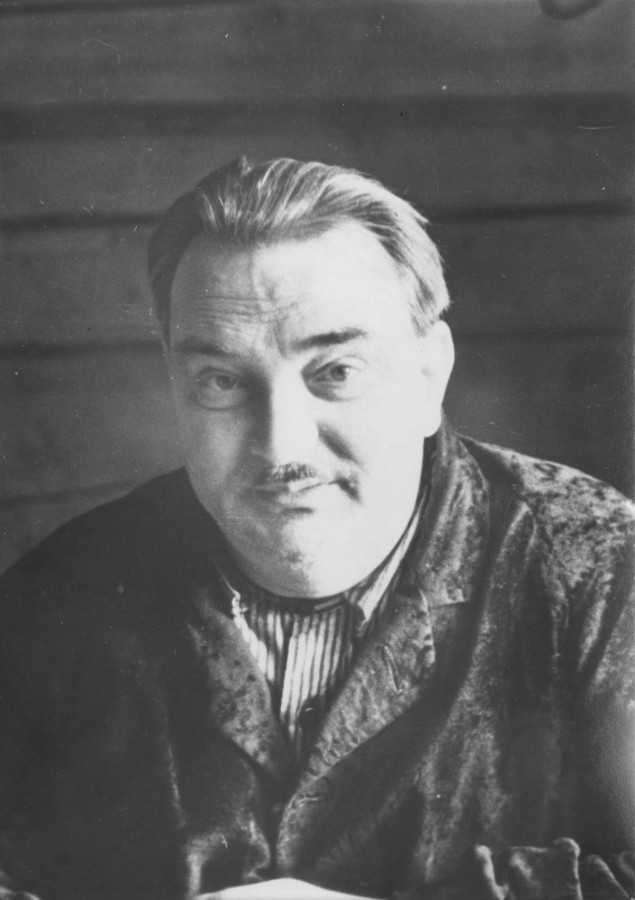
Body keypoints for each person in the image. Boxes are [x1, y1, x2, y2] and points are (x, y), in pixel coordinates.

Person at [0, 156, 633, 900]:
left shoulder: (596, 566)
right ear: (175, 384)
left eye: (335, 372)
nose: (281, 447)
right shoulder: (61, 595)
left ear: (429, 375)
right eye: (221, 381)